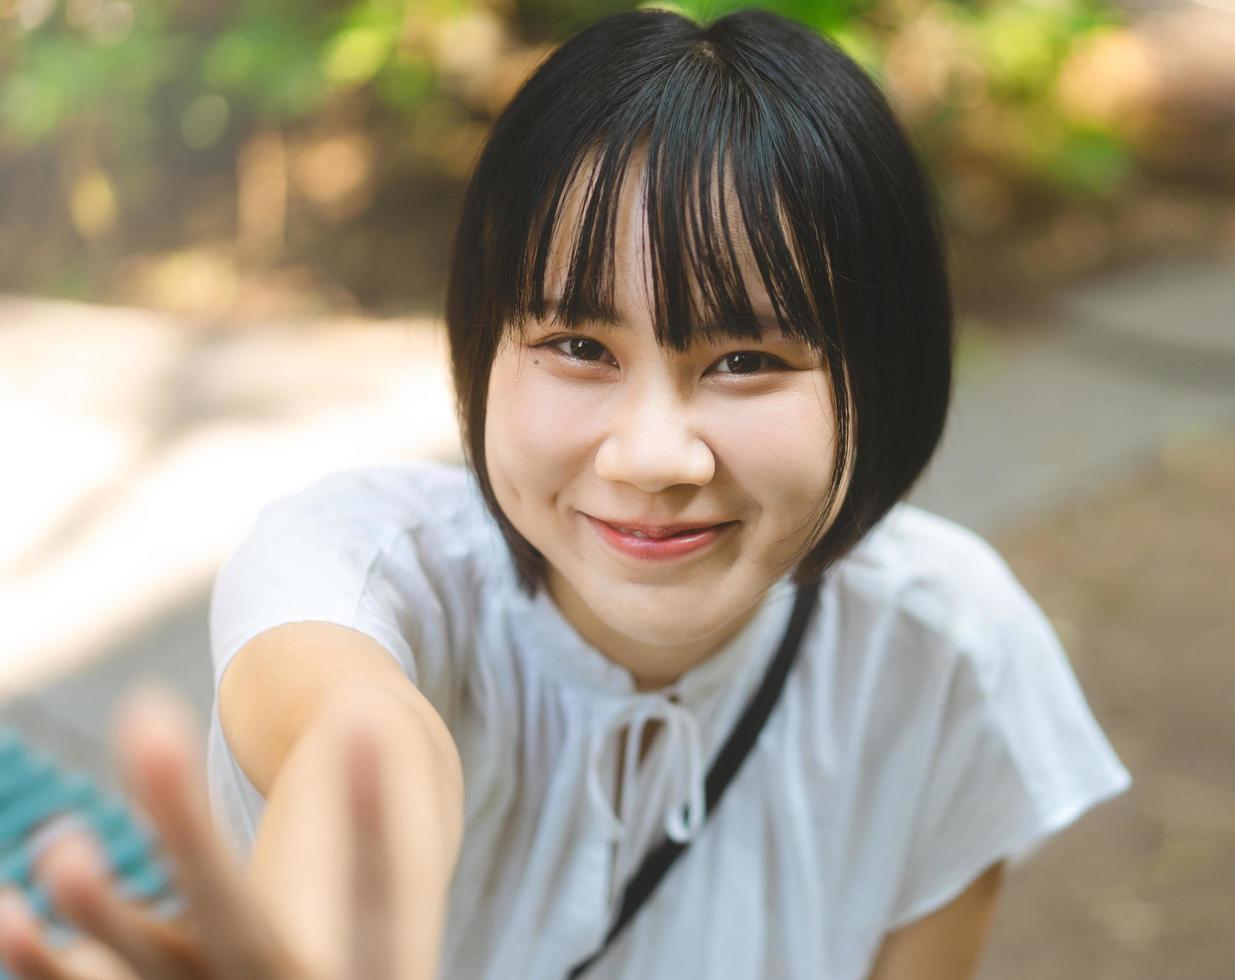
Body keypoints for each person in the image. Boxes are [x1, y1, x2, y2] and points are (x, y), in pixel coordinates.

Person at [0, 8, 1129, 979]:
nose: (653, 455)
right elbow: (362, 743)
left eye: (745, 359)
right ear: (483, 343)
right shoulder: (355, 570)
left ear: (876, 374)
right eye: (579, 343)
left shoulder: (947, 653)